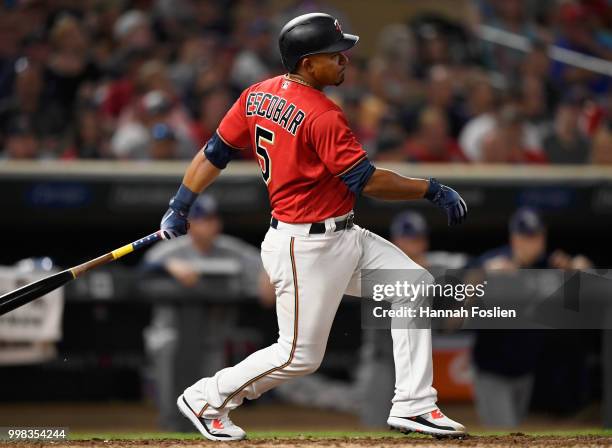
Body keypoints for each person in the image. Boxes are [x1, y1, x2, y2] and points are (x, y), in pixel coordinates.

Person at [159, 13, 468, 441]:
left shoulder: (256, 95)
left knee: (412, 284)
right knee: (298, 356)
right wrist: (430, 189)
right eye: (335, 54)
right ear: (307, 63)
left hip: (342, 234)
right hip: (305, 245)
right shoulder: (322, 114)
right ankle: (207, 397)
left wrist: (180, 204)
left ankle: (415, 405)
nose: (345, 61)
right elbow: (368, 181)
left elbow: (214, 153)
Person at [143, 194, 274, 430]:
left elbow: (265, 265)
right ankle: (170, 432)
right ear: (189, 224)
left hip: (212, 337)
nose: (209, 225)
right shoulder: (172, 249)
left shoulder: (230, 249)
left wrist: (268, 275)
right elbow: (141, 270)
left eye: (212, 219)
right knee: (172, 404)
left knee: (209, 397)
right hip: (170, 334)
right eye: (202, 219)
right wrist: (167, 265)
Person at [470, 207, 591, 428]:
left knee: (514, 430)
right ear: (514, 238)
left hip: (525, 371)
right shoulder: (495, 262)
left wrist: (577, 267)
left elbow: (585, 275)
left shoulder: (548, 264)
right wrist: (483, 277)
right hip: (492, 371)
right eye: (525, 237)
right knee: (504, 435)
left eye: (536, 237)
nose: (531, 243)